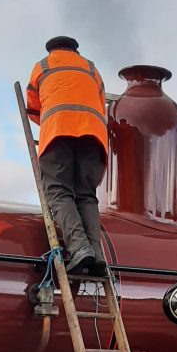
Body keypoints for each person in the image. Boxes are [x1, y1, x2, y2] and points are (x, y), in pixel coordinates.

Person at [26, 36, 108, 275]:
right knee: (86, 195)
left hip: (58, 132)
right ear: (76, 50)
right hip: (93, 135)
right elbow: (101, 103)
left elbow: (33, 107)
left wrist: (53, 120)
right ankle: (97, 253)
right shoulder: (91, 68)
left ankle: (79, 248)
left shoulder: (42, 66)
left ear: (51, 50)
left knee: (58, 191)